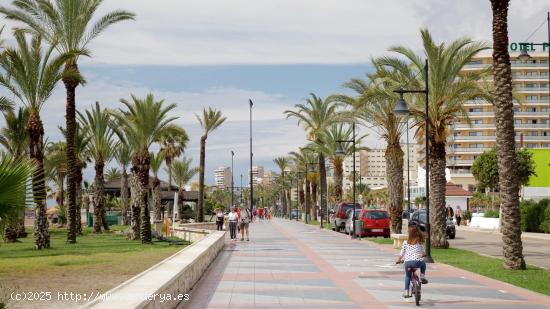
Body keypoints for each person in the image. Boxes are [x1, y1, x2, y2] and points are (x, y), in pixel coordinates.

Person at [396, 222, 429, 298]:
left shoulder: (405, 242)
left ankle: (406, 292)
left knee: (408, 276)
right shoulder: (419, 242)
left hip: (407, 263)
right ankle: (422, 276)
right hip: (417, 262)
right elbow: (423, 252)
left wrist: (398, 260)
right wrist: (423, 255)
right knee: (423, 264)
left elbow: (401, 253)